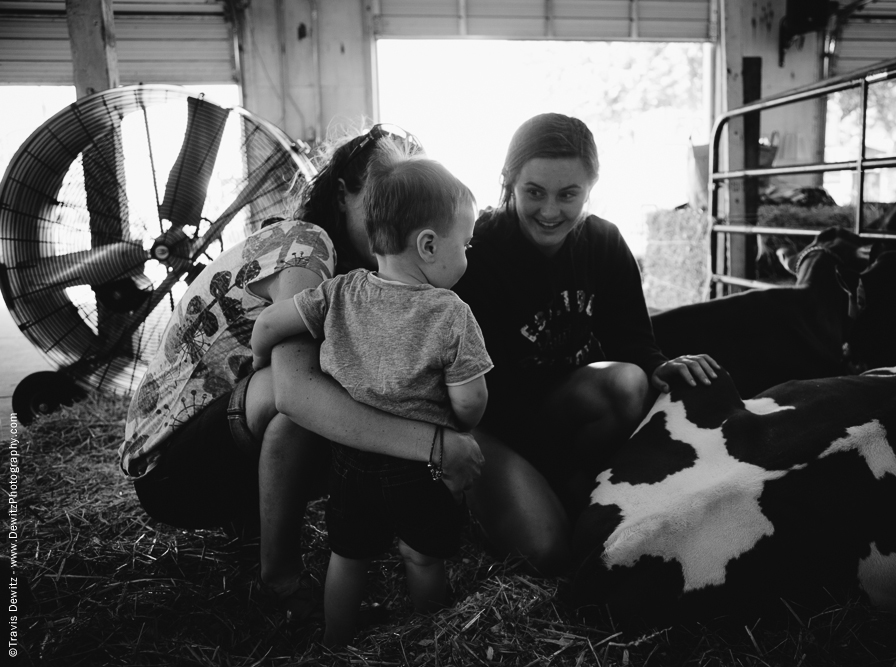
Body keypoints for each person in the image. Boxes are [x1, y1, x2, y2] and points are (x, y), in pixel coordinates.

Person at [117, 124, 485, 622]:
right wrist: (435, 446)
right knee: (312, 397)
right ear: (344, 193)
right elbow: (292, 395)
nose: (396, 207)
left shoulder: (370, 285)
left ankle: (267, 531)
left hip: (220, 444)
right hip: (171, 471)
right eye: (385, 192)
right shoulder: (308, 246)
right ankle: (281, 582)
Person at [453, 113, 719, 574]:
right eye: (534, 192)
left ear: (590, 189)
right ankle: (530, 490)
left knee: (628, 382)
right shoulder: (475, 251)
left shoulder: (605, 243)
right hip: (493, 425)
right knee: (547, 555)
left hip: (565, 418)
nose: (551, 211)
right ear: (509, 182)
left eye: (568, 194)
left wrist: (660, 367)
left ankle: (571, 481)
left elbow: (635, 341)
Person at [250, 142, 492, 645]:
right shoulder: (451, 314)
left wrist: (258, 360)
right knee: (422, 554)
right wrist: (462, 421)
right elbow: (470, 404)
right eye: (465, 244)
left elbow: (270, 323)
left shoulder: (341, 290)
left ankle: (336, 639)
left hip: (350, 461)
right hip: (416, 466)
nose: (468, 255)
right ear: (428, 245)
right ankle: (432, 632)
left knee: (348, 556)